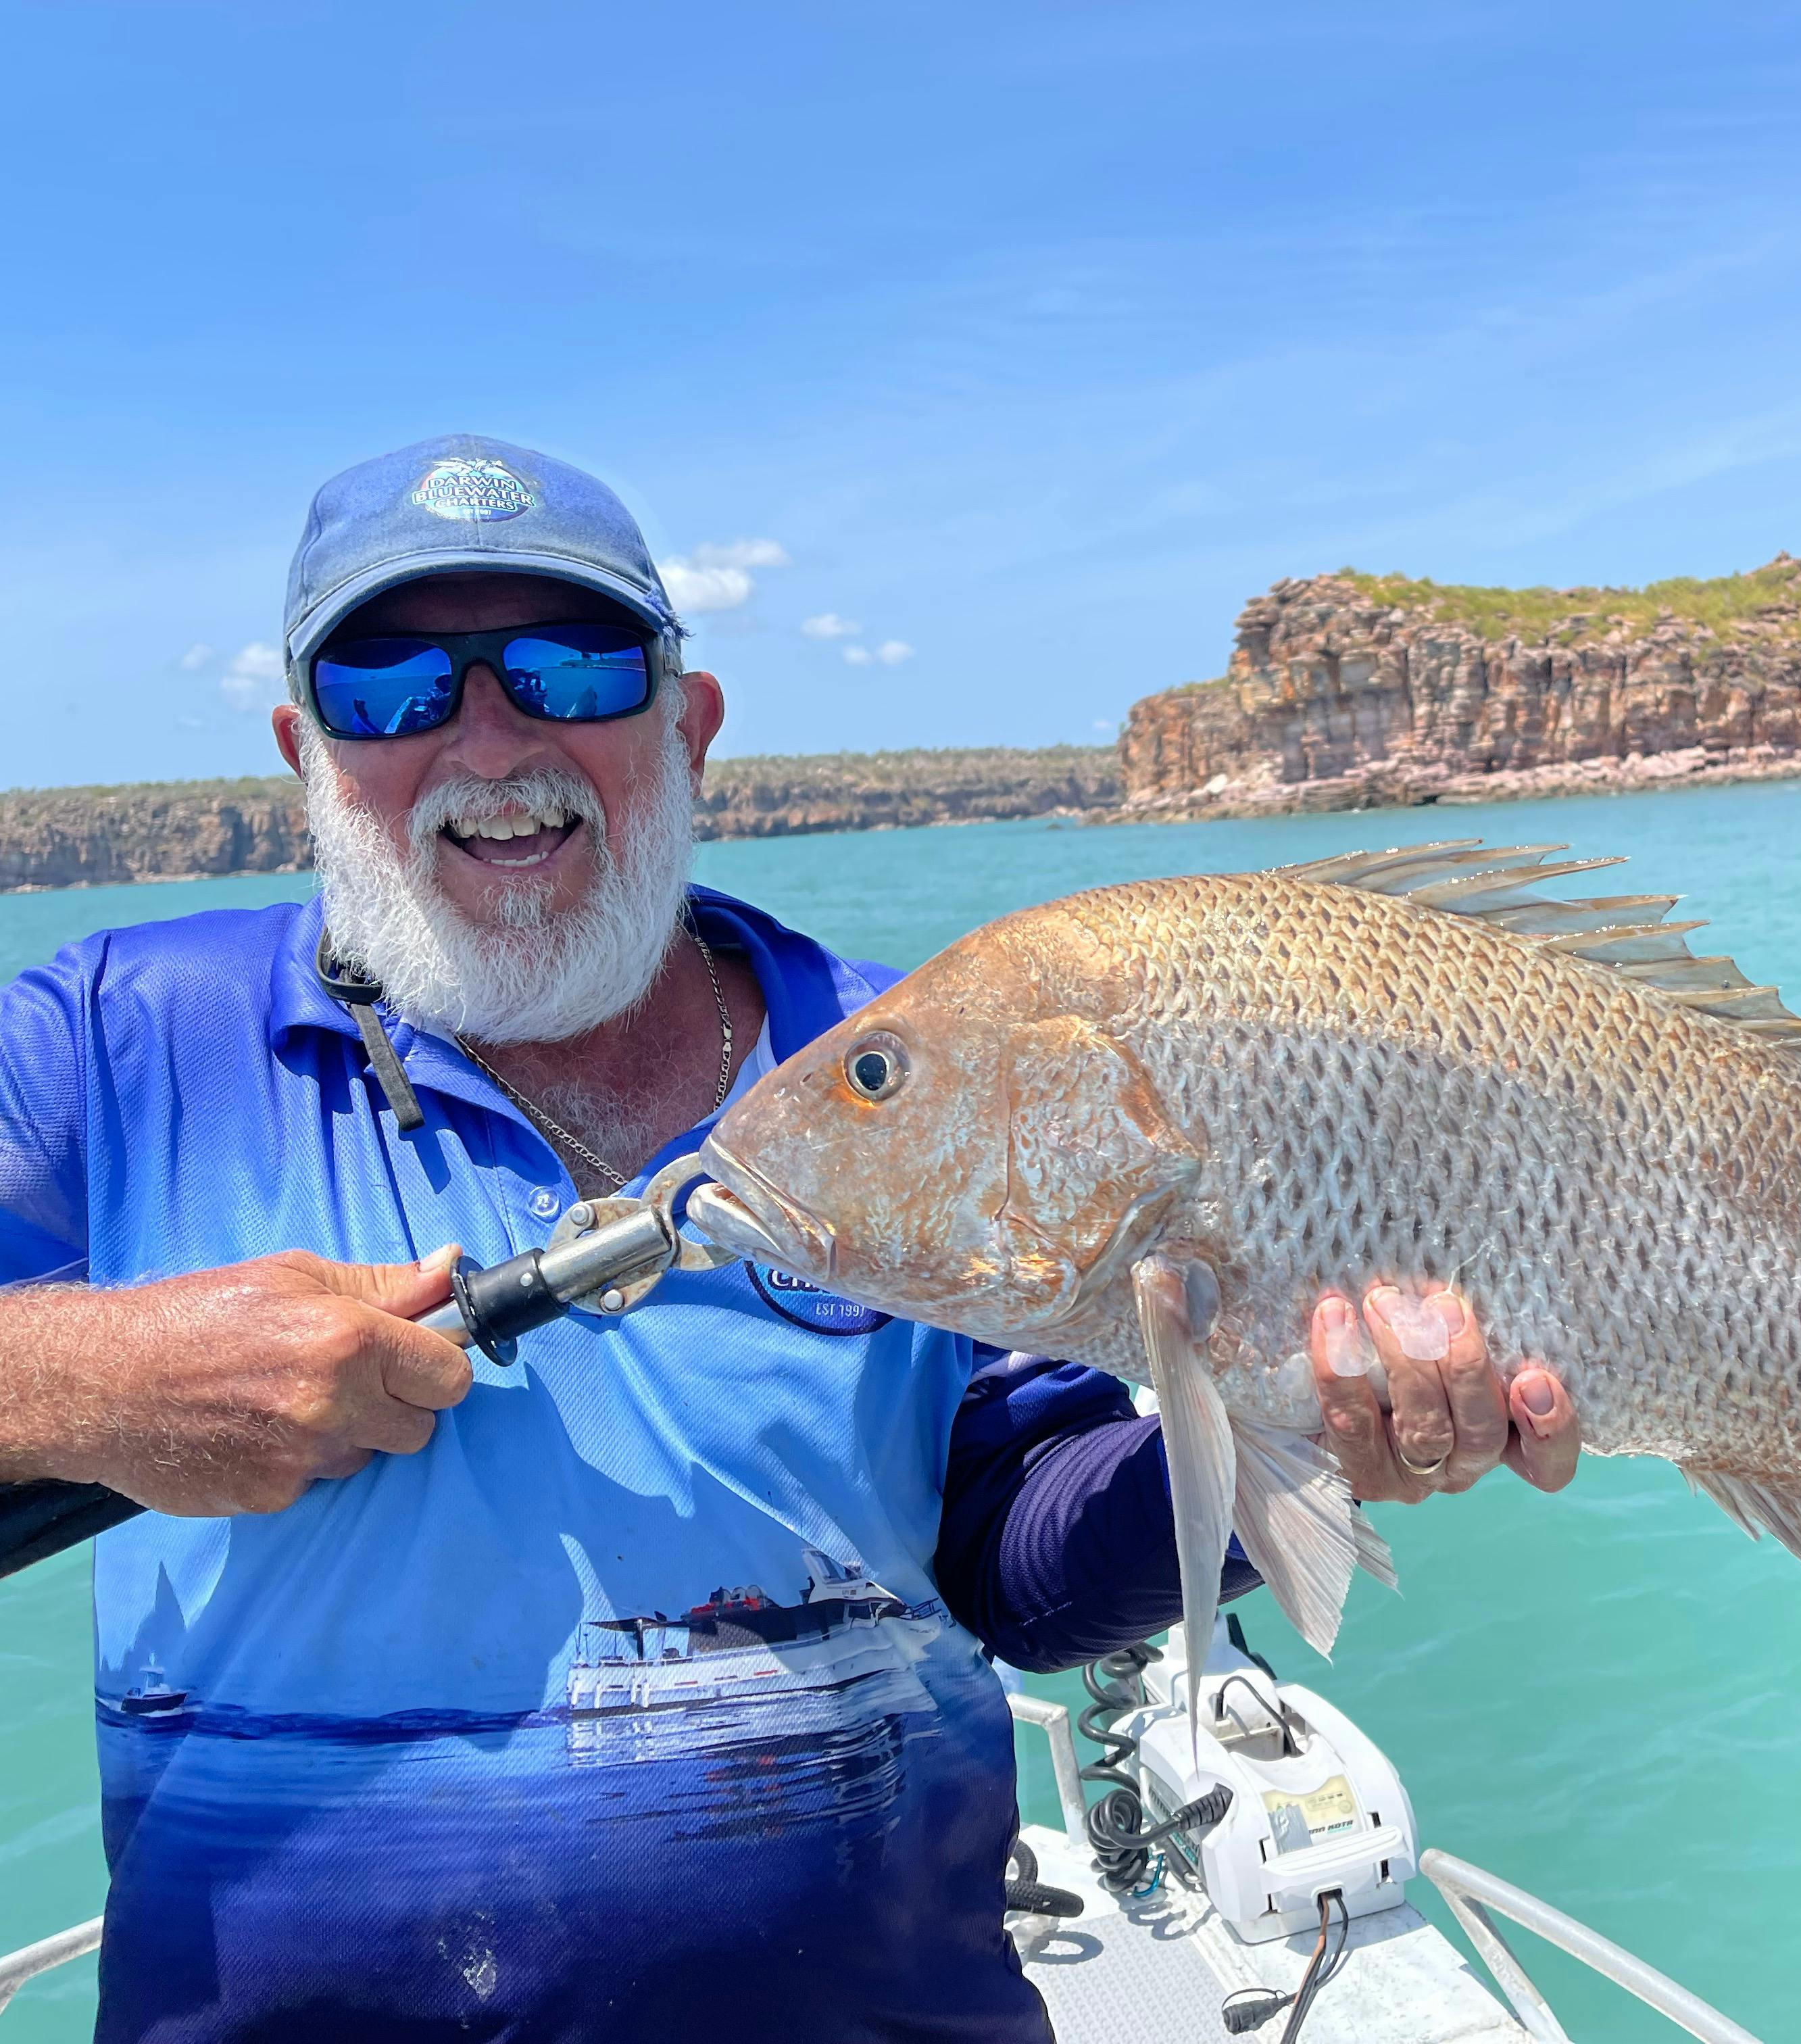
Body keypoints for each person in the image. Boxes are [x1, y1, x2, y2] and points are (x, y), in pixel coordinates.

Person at [0, 435, 1582, 2043]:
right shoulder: (115, 1048)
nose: (489, 739)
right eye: (391, 686)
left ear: (686, 728)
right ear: (306, 749)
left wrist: (1276, 1441)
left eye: (570, 666)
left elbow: (1012, 1574)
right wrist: (82, 1378)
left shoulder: (899, 1063)